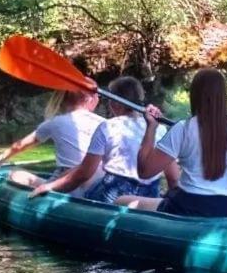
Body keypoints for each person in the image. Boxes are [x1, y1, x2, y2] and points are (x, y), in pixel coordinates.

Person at [119, 68, 227, 216]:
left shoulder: (183, 129)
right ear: (224, 96)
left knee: (121, 200)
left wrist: (151, 128)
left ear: (195, 95)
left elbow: (145, 171)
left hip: (187, 209)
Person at [30, 76, 179, 202]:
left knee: (86, 178)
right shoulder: (160, 128)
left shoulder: (107, 127)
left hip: (113, 195)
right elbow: (173, 179)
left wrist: (49, 187)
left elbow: (83, 174)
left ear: (114, 103)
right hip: (150, 193)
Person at [0, 88, 103, 192]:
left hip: (67, 183)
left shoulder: (54, 122)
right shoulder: (106, 123)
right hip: (99, 184)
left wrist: (1, 157)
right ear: (90, 99)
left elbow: (20, 145)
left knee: (16, 175)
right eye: (98, 96)